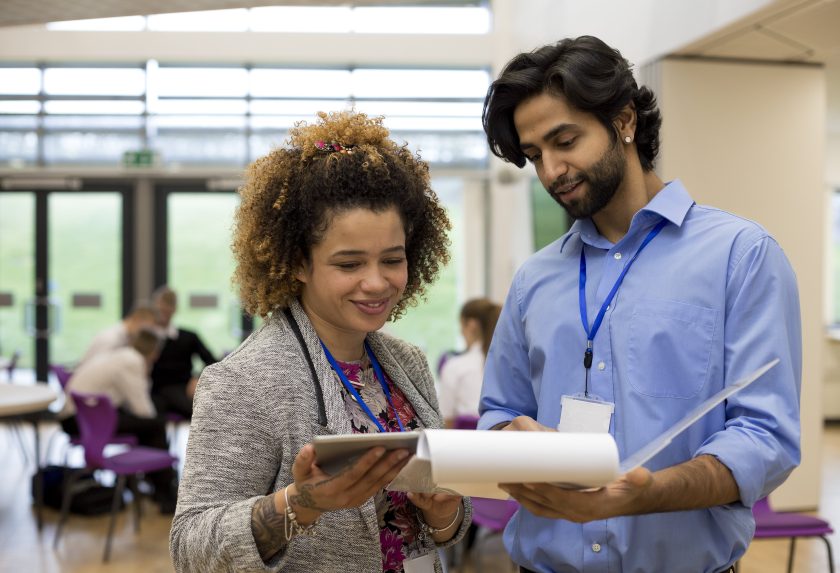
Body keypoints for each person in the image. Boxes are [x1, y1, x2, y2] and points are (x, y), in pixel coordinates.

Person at [478, 36, 802, 573]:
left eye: (565, 141)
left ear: (624, 120)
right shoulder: (534, 278)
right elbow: (499, 413)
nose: (552, 171)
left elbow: (764, 438)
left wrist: (643, 494)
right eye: (536, 156)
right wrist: (512, 435)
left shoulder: (741, 256)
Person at [170, 110, 472, 573]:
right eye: (349, 265)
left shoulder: (407, 364)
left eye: (392, 259)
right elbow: (191, 547)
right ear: (298, 264)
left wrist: (443, 512)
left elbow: (439, 528)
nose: (377, 283)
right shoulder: (243, 382)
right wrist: (299, 506)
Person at [60, 328, 177, 513]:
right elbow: (143, 410)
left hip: (79, 417)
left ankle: (152, 484)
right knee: (154, 425)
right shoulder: (133, 362)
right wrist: (147, 373)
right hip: (85, 421)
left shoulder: (121, 355)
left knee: (147, 425)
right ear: (154, 352)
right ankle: (166, 492)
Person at [149, 285, 218, 419]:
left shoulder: (188, 337)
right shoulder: (147, 338)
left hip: (181, 389)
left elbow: (212, 361)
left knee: (203, 413)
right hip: (152, 391)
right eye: (160, 307)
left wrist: (197, 378)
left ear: (174, 309)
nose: (163, 311)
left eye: (167, 307)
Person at [437, 298, 501, 427]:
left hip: (465, 444)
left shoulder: (455, 366)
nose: (461, 333)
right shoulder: (509, 364)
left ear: (471, 325)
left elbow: (446, 420)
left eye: (461, 326)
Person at [77, 303, 157, 366]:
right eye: (148, 328)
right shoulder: (111, 338)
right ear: (137, 319)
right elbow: (99, 369)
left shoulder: (126, 338)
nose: (146, 334)